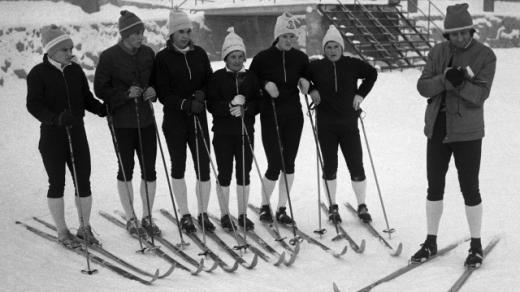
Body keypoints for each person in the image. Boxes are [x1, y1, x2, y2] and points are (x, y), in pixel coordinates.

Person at [412, 3, 496, 269]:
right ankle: (430, 240)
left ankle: (476, 244)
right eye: (454, 34)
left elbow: (481, 95)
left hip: (468, 132)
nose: (460, 38)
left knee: (469, 187)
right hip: (438, 127)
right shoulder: (438, 52)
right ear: (447, 35)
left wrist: (461, 84)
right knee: (434, 186)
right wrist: (446, 79)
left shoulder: (485, 55)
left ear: (471, 30)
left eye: (464, 32)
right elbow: (423, 87)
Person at [26, 25, 106, 247]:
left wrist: (101, 109)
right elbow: (33, 105)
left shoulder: (75, 70)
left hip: (77, 133)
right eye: (64, 49)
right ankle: (62, 232)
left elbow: (86, 98)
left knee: (83, 182)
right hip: (53, 136)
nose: (70, 53)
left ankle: (84, 227)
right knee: (57, 183)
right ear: (51, 51)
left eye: (71, 48)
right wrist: (54, 118)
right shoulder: (37, 74)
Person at [94, 10, 160, 237]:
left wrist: (154, 90)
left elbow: (156, 80)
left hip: (147, 120)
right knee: (126, 169)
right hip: (122, 122)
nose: (139, 37)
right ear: (124, 35)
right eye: (134, 34)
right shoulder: (109, 56)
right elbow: (100, 89)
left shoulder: (148, 53)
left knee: (150, 170)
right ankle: (131, 217)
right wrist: (124, 94)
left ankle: (147, 216)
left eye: (141, 32)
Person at [306, 25, 377, 224]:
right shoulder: (317, 66)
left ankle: (362, 205)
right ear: (323, 49)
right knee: (329, 166)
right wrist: (311, 89)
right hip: (326, 124)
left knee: (356, 165)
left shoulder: (352, 64)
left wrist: (360, 95)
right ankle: (332, 206)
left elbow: (372, 74)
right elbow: (301, 76)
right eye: (328, 47)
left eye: (335, 46)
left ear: (341, 47)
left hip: (348, 124)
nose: (332, 50)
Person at [155, 9, 214, 233]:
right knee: (178, 166)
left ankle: (203, 213)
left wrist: (202, 93)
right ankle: (185, 214)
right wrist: (185, 104)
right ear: (172, 33)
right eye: (181, 31)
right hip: (175, 120)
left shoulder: (199, 53)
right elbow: (163, 93)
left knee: (203, 167)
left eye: (188, 31)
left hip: (198, 118)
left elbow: (210, 80)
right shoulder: (163, 58)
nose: (185, 35)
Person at [249, 12, 310, 225]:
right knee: (274, 163)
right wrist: (265, 85)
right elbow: (251, 79)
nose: (289, 41)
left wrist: (306, 82)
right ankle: (265, 206)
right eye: (285, 36)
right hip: (271, 114)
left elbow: (310, 76)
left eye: (292, 36)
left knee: (289, 163)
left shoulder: (300, 58)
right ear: (277, 36)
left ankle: (282, 208)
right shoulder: (262, 58)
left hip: (294, 115)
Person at [207, 28, 261, 231]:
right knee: (225, 173)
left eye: (240, 56)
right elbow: (211, 104)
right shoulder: (217, 77)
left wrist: (245, 108)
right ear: (225, 58)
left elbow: (259, 103)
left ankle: (242, 214)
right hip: (222, 133)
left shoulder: (251, 77)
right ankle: (224, 215)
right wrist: (230, 107)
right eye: (233, 57)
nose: (237, 60)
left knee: (244, 173)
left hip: (246, 132)